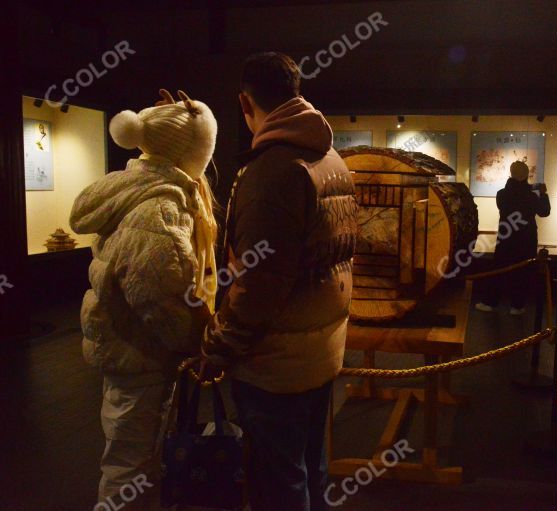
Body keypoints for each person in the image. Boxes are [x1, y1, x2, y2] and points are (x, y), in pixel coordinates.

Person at [201, 52, 358, 511]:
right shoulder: (330, 160)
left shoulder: (271, 173)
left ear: (245, 103)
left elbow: (258, 286)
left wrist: (218, 346)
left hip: (276, 363)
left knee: (278, 483)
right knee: (310, 467)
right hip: (320, 349)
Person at [69, 90, 218, 508]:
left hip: (129, 349)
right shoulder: (158, 210)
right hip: (140, 355)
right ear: (193, 153)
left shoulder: (143, 191)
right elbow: (159, 296)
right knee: (130, 466)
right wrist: (198, 340)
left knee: (131, 457)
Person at [475, 161, 550, 315]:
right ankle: (517, 306)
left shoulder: (502, 194)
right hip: (527, 238)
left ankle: (490, 302)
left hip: (507, 237)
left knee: (499, 269)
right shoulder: (532, 196)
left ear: (511, 174)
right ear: (526, 175)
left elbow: (509, 200)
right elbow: (544, 212)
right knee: (523, 272)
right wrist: (543, 194)